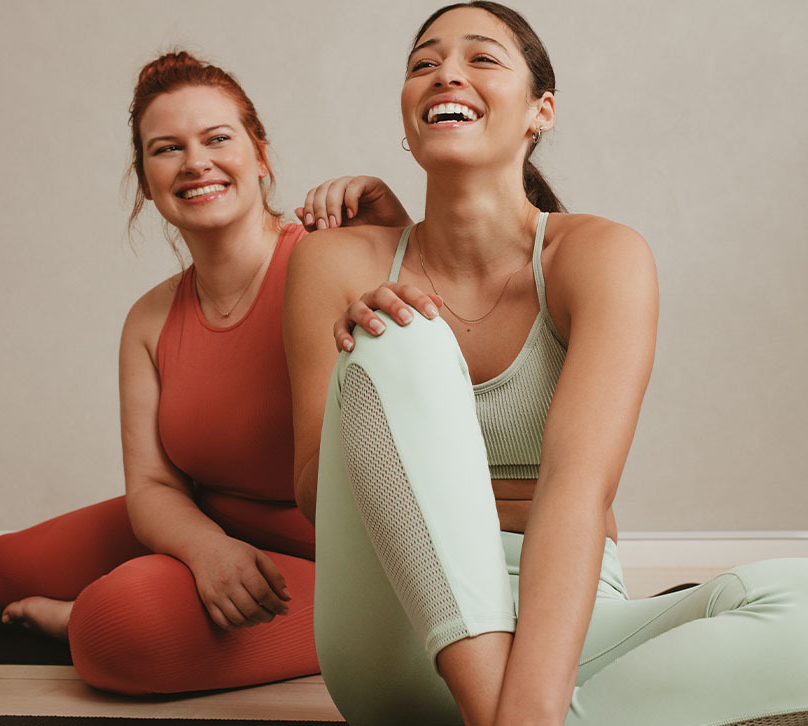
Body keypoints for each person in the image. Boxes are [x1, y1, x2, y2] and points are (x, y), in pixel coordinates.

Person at [285, 3, 808, 725]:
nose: (448, 74)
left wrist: (529, 700)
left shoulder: (599, 255)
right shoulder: (333, 262)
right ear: (409, 121)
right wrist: (376, 364)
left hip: (565, 626)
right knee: (401, 333)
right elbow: (316, 492)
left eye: (482, 59)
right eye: (423, 63)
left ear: (541, 112)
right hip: (394, 623)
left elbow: (577, 488)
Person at [0, 50, 409, 695]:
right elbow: (152, 485)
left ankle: (78, 618)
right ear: (146, 177)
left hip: (343, 562)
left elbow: (447, 329)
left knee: (119, 626)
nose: (195, 162)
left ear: (260, 156)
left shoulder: (328, 262)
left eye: (217, 139)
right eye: (166, 148)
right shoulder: (150, 319)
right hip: (203, 523)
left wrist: (393, 231)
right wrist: (206, 550)